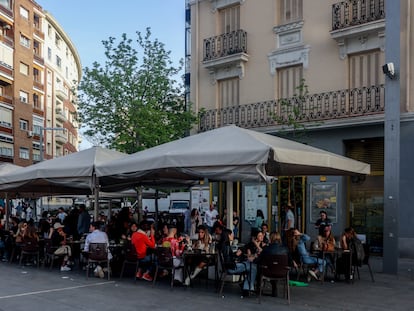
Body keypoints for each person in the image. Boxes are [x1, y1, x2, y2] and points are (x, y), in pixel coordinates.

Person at [219, 228, 257, 296]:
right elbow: (228, 260)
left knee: (251, 265)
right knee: (252, 266)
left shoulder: (223, 245)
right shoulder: (226, 246)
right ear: (228, 235)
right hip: (231, 267)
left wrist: (235, 254)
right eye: (231, 234)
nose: (233, 236)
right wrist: (236, 257)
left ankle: (246, 287)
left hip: (229, 266)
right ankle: (248, 288)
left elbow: (228, 257)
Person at [256, 231, 291, 296]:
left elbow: (259, 260)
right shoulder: (285, 249)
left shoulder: (266, 249)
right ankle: (274, 288)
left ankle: (259, 288)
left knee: (260, 267)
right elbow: (290, 262)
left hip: (267, 272)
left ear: (270, 239)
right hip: (282, 273)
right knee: (275, 267)